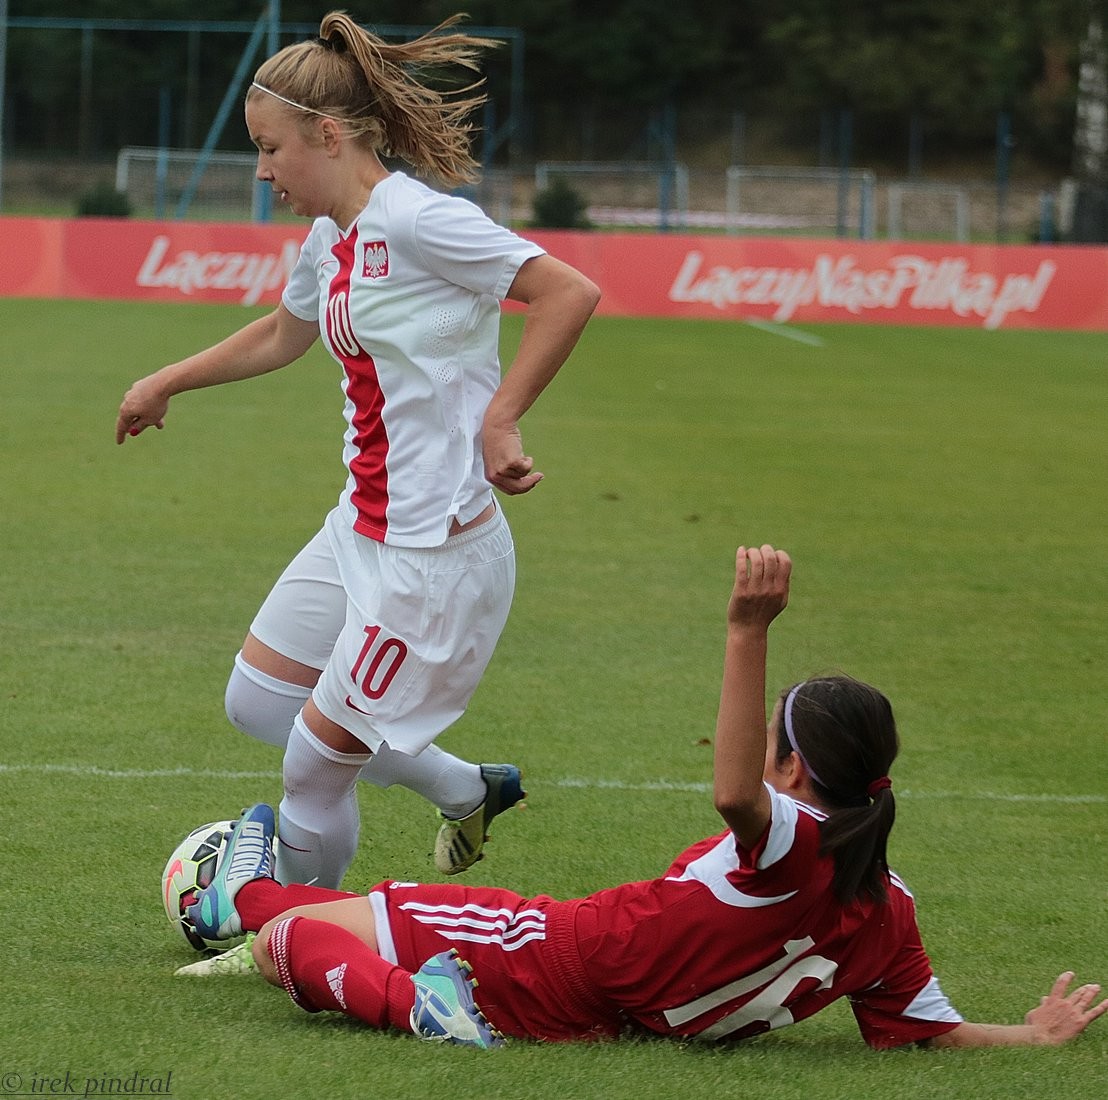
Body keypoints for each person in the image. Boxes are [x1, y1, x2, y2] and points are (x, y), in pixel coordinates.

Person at [174, 545, 1107, 1052]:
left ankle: (413, 1002)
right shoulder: (885, 911)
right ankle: (244, 882)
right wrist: (1030, 1036)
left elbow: (735, 793)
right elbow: (924, 1033)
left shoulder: (797, 843)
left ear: (793, 770)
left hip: (562, 954)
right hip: (603, 1004)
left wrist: (747, 632)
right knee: (336, 912)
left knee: (285, 939)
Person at [116, 13, 600, 894]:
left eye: (270, 149)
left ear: (328, 135)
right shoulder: (331, 235)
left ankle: (300, 933)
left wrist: (502, 420)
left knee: (312, 768)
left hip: (432, 555)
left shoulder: (418, 221)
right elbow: (281, 334)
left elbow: (566, 290)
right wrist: (167, 382)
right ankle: (466, 789)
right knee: (256, 703)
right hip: (361, 527)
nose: (262, 172)